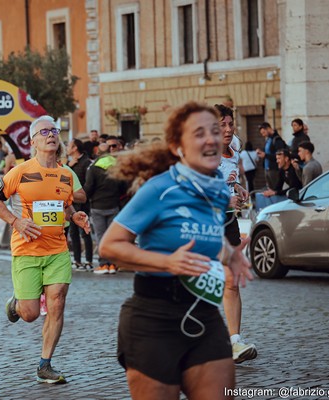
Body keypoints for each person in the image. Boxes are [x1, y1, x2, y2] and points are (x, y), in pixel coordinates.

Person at [98, 102, 253, 399]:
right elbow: (110, 246)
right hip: (153, 318)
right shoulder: (159, 189)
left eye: (214, 131)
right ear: (177, 146)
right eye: (199, 133)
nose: (211, 138)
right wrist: (169, 262)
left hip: (204, 314)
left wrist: (228, 253)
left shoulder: (218, 189)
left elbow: (201, 233)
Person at [0, 115, 90, 384]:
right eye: (44, 131)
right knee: (30, 314)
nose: (51, 134)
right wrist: (15, 221)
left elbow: (65, 207)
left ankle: (45, 364)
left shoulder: (67, 174)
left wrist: (75, 216)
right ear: (33, 141)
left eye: (54, 130)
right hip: (27, 250)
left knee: (57, 303)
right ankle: (17, 303)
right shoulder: (20, 171)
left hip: (57, 249)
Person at [214, 104, 256, 364]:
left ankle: (235, 342)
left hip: (228, 222)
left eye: (230, 124)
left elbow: (227, 177)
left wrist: (237, 186)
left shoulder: (235, 147)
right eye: (223, 125)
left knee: (231, 280)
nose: (228, 129)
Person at [84, 137, 127, 275]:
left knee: (101, 236)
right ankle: (113, 264)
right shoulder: (117, 166)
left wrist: (86, 198)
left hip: (97, 206)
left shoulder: (94, 168)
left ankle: (103, 264)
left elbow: (88, 187)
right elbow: (123, 187)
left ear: (97, 153)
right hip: (114, 205)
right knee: (112, 236)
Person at [67, 138, 94, 270]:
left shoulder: (86, 162)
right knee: (73, 233)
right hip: (71, 204)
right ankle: (77, 260)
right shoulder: (69, 164)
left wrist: (81, 197)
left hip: (82, 204)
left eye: (69, 146)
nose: (67, 148)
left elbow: (87, 185)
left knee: (85, 231)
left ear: (75, 148)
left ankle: (88, 260)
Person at [256, 122, 286, 191]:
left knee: (275, 189)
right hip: (267, 169)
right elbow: (267, 152)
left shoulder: (277, 139)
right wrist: (261, 152)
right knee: (270, 190)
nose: (263, 135)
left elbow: (279, 155)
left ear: (268, 129)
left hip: (274, 169)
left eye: (264, 132)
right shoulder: (268, 139)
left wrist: (265, 155)